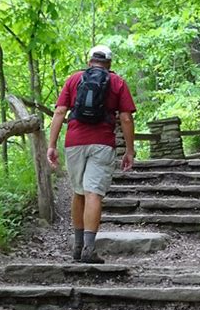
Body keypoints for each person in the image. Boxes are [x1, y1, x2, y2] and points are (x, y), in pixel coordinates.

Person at [47, 45, 136, 263]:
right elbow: (125, 118)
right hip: (103, 144)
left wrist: (51, 145)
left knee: (78, 193)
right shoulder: (117, 82)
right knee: (93, 193)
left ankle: (77, 247)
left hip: (74, 142)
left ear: (89, 62)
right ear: (110, 64)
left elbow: (60, 112)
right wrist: (130, 150)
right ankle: (88, 249)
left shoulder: (74, 79)